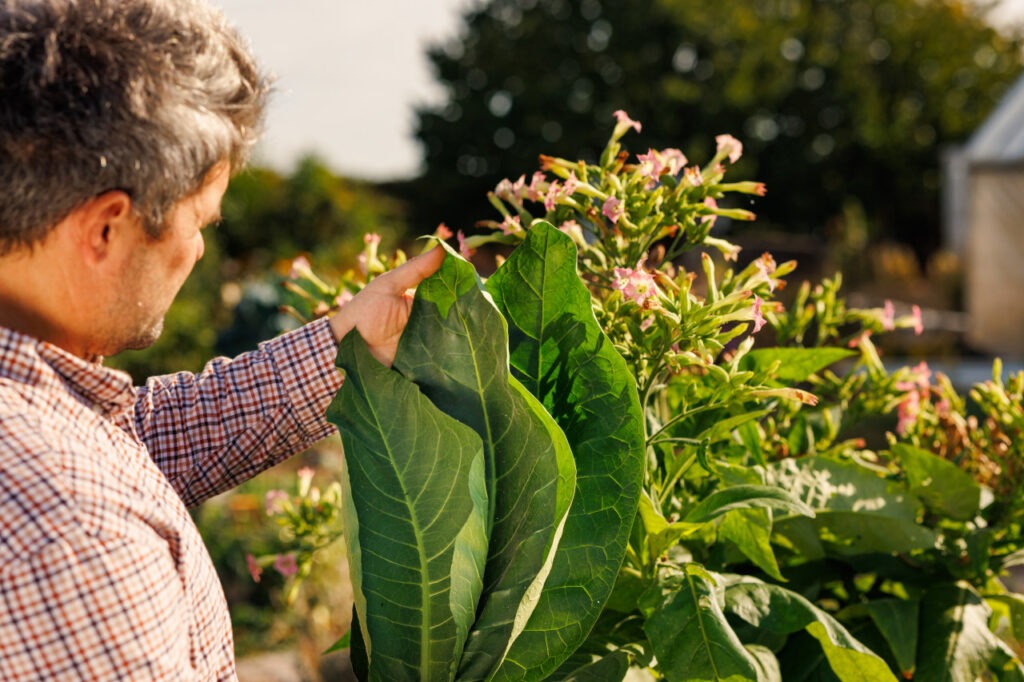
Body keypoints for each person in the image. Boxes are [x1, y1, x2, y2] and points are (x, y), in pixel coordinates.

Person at [0, 0, 445, 679]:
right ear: (105, 230)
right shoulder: (73, 536)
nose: (200, 252)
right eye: (199, 221)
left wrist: (347, 341)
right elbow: (84, 482)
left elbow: (134, 441)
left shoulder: (41, 427)